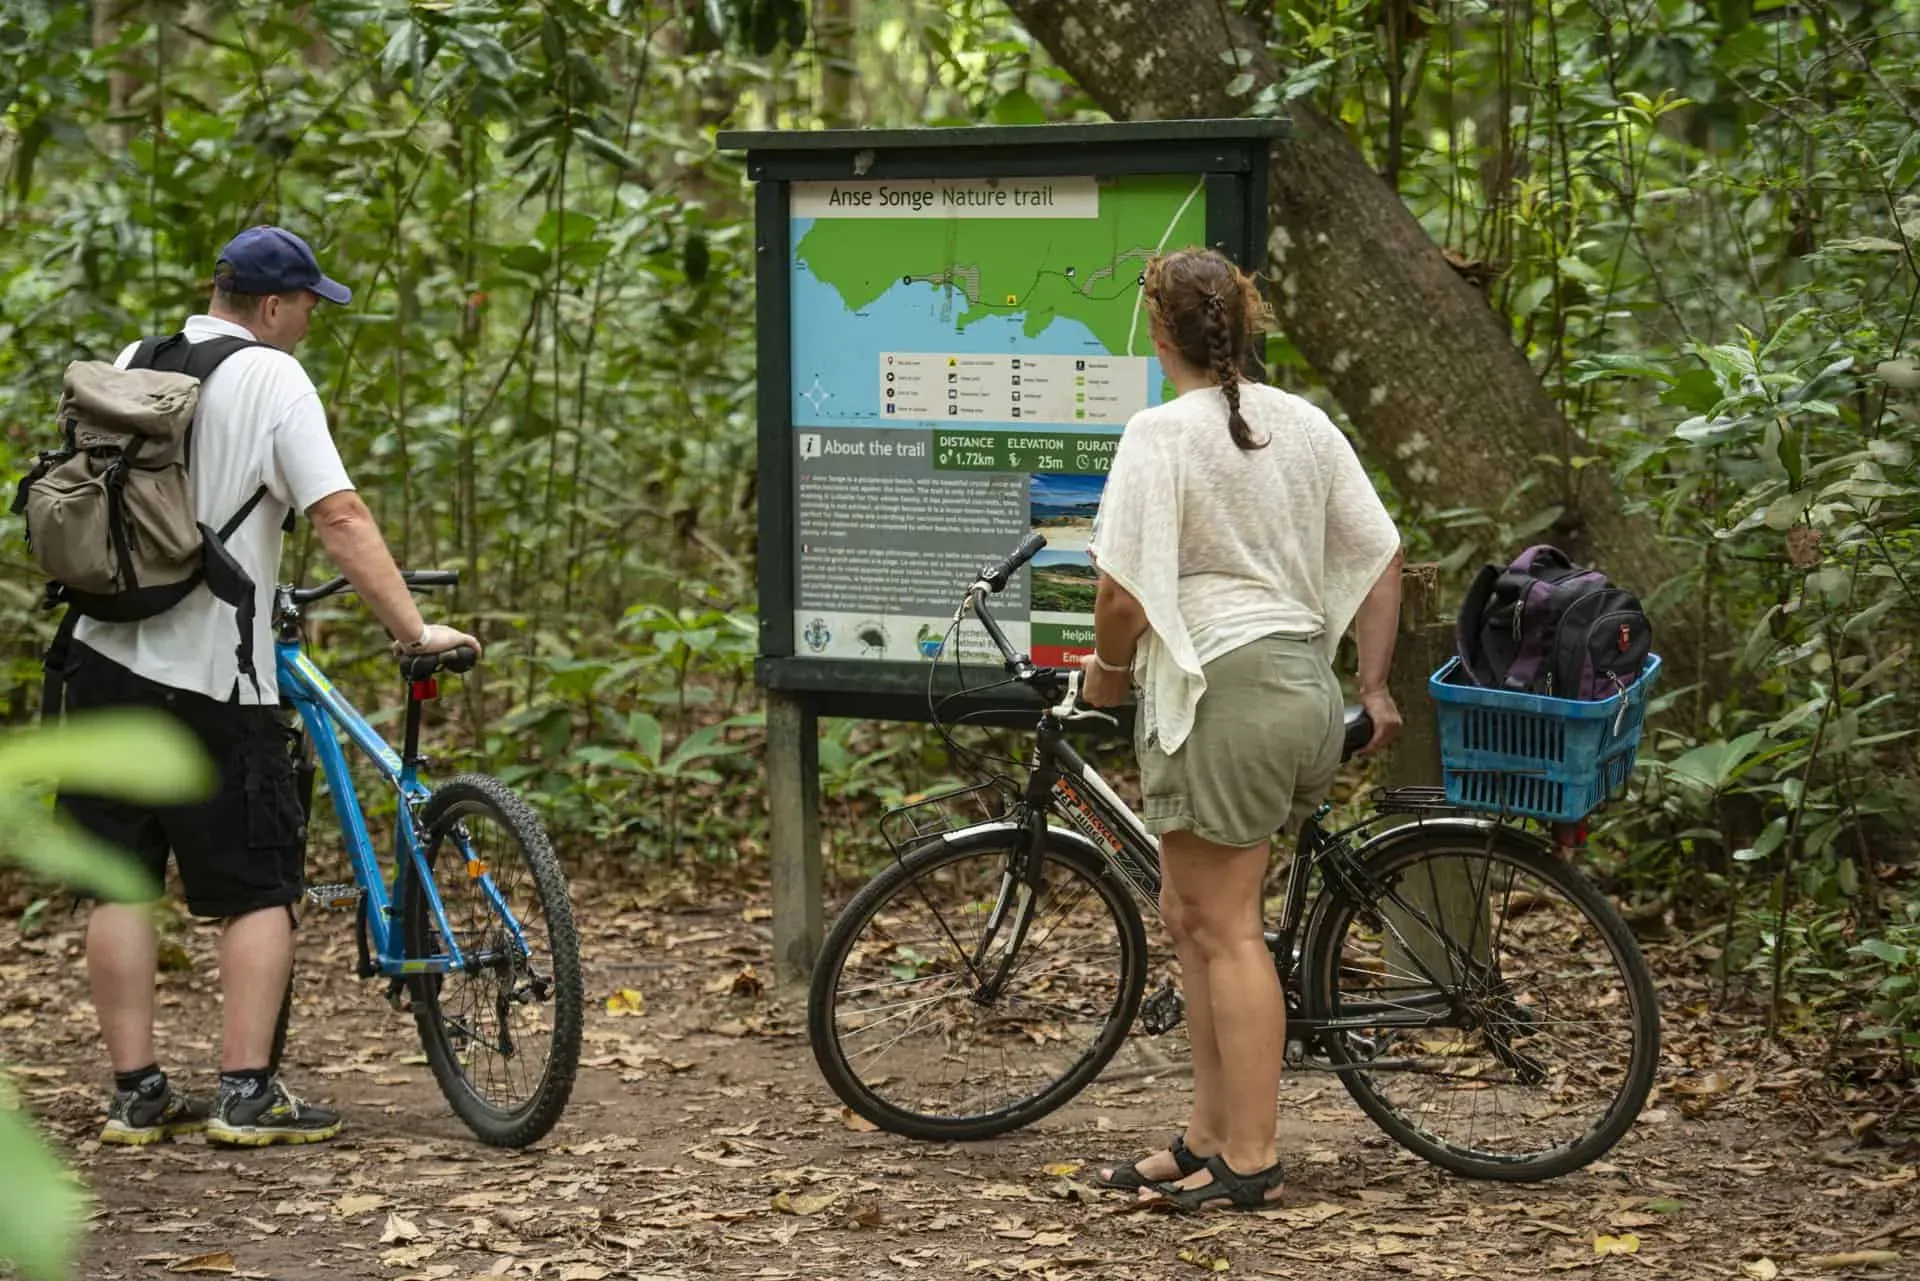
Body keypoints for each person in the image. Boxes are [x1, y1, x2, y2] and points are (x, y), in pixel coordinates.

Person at [54, 225, 481, 1147]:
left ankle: (137, 1094)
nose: (311, 327)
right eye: (310, 309)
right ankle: (246, 1093)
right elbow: (337, 513)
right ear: (275, 305)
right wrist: (413, 629)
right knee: (255, 888)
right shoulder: (273, 378)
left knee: (120, 883)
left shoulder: (137, 358)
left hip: (99, 654)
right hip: (215, 674)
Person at [1079, 247, 1404, 1211]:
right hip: (1298, 685)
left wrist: (1102, 674)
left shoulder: (1159, 432)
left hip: (1224, 690)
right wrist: (1374, 688)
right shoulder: (1302, 423)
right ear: (1244, 325)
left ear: (1161, 332)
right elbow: (1380, 558)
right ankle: (1206, 1134)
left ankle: (1253, 1154)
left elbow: (1119, 594)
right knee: (1191, 918)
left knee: (1226, 929)